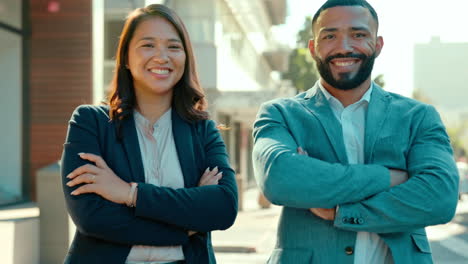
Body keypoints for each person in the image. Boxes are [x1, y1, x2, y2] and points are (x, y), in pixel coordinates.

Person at [252, 0, 459, 263]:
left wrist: (340, 210)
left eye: (358, 35)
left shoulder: (417, 117)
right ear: (314, 47)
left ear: (378, 44)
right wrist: (390, 178)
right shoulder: (280, 114)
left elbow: (439, 197)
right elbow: (279, 179)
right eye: (330, 36)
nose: (344, 47)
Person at [61, 4, 238, 264]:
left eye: (173, 47)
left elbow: (223, 207)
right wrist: (187, 227)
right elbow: (93, 218)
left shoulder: (203, 130)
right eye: (148, 45)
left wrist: (130, 194)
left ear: (185, 57)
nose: (162, 56)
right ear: (125, 58)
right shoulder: (91, 123)